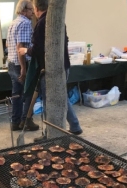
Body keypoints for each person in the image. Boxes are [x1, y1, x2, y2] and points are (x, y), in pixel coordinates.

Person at [19, 0, 82, 141]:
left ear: (35, 8)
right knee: (61, 97)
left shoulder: (42, 23)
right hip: (63, 66)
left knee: (51, 101)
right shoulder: (58, 21)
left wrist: (25, 50)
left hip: (50, 69)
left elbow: (39, 49)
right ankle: (75, 126)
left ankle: (49, 134)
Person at [6, 0, 39, 131]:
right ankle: (26, 121)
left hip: (12, 62)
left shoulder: (13, 23)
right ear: (24, 10)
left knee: (16, 94)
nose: (33, 12)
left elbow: (8, 45)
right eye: (31, 9)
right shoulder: (25, 23)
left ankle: (15, 121)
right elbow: (21, 47)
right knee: (28, 93)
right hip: (21, 64)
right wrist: (24, 69)